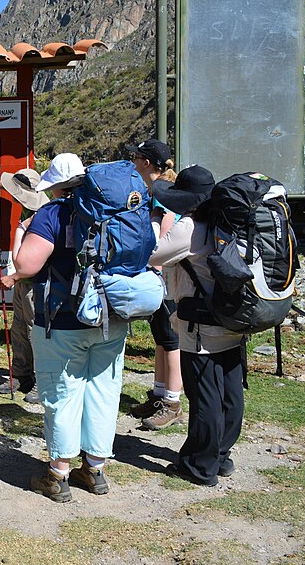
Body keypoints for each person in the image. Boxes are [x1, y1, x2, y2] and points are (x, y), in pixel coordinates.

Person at [1, 153, 127, 503]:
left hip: (62, 321)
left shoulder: (53, 213)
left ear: (55, 186)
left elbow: (26, 264)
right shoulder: (115, 209)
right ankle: (95, 469)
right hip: (111, 318)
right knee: (103, 392)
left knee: (62, 395)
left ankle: (58, 474)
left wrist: (23, 235)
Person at [148, 165, 241, 486]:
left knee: (205, 398)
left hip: (199, 327)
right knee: (230, 392)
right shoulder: (227, 220)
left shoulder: (190, 227)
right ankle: (221, 456)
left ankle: (200, 465)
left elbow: (153, 254)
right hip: (232, 317)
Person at [0, 169, 50, 403]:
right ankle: (20, 373)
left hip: (35, 283)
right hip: (23, 283)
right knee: (19, 326)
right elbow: (13, 186)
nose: (13, 195)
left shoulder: (41, 217)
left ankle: (42, 381)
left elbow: (39, 258)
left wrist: (15, 276)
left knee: (35, 331)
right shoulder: (31, 205)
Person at [126, 139, 185, 430]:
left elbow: (165, 231)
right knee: (161, 337)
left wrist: (153, 263)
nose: (133, 162)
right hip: (160, 277)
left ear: (146, 162)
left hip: (167, 278)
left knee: (171, 340)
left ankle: (173, 402)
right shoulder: (158, 190)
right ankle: (160, 393)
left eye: (136, 158)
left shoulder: (162, 194)